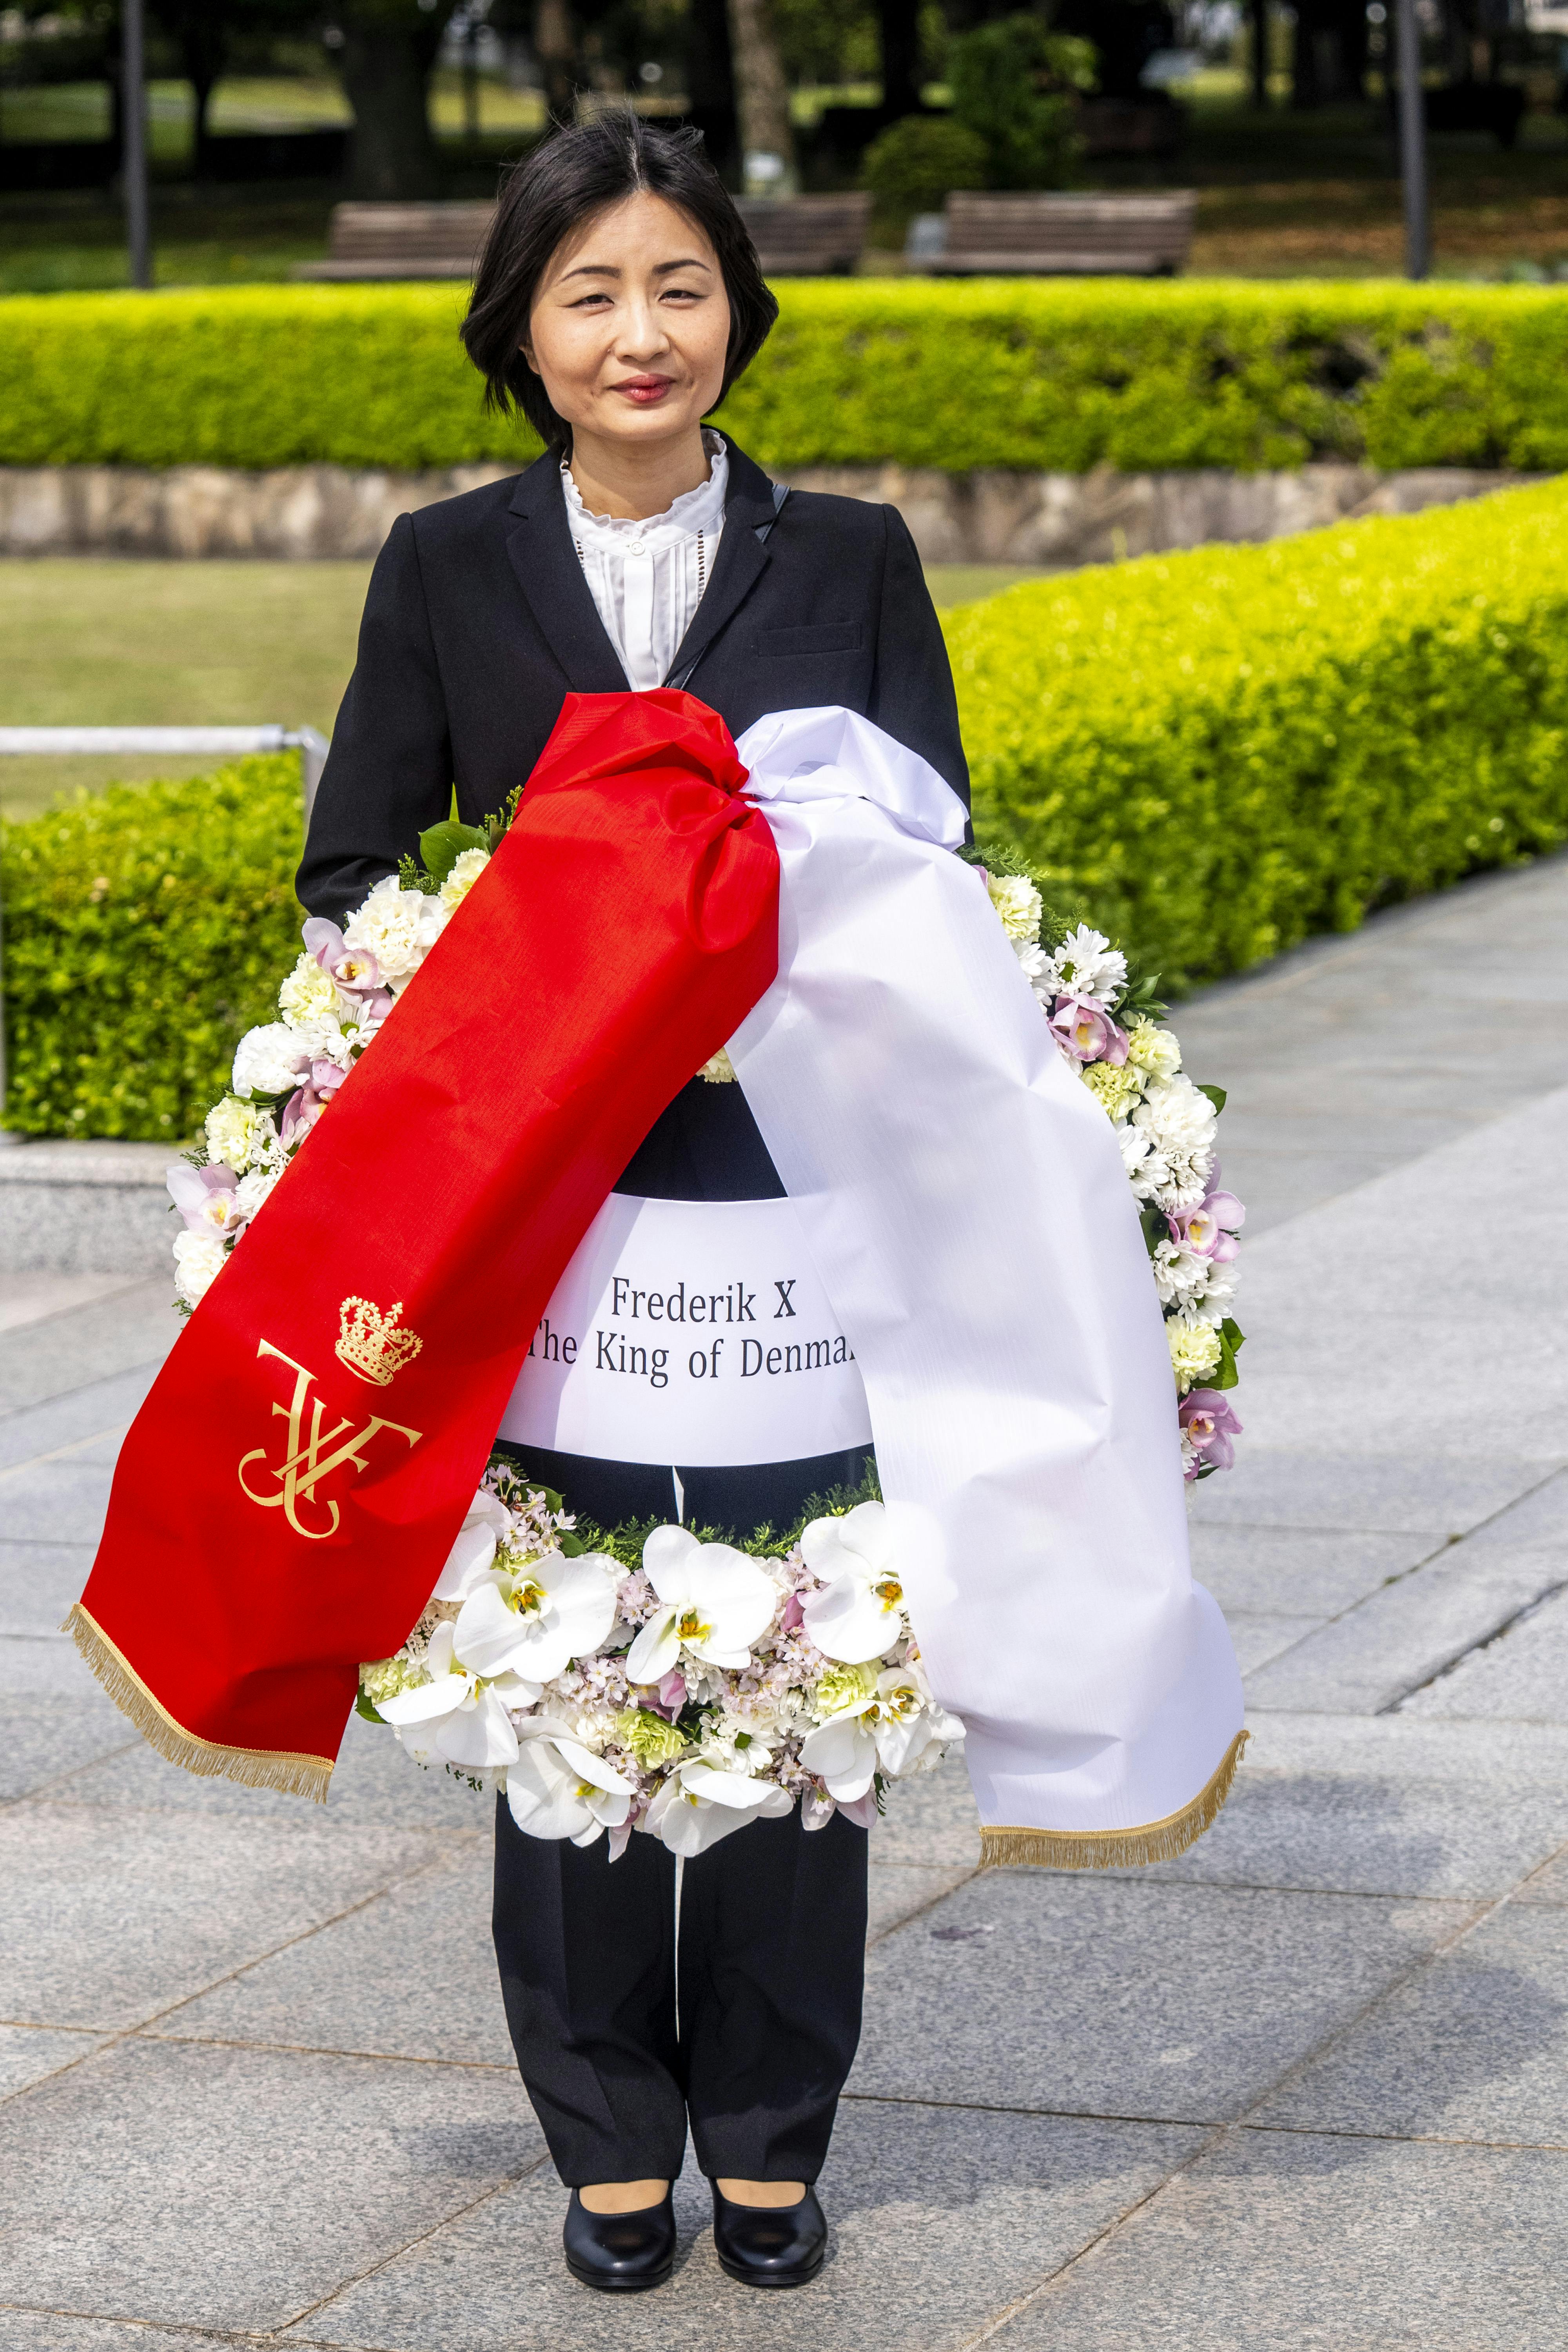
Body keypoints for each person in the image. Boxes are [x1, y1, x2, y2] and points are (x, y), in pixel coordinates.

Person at [297, 111, 967, 2294]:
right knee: (568, 1663)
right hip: (546, 1238)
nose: (641, 330)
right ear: (525, 330)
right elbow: (356, 870)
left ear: (738, 314)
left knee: (796, 1657)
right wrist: (488, 978)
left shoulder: (852, 555)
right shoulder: (446, 565)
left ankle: (772, 2126)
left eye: (680, 285)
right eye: (591, 290)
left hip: (792, 1229)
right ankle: (601, 2127)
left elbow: (945, 864)